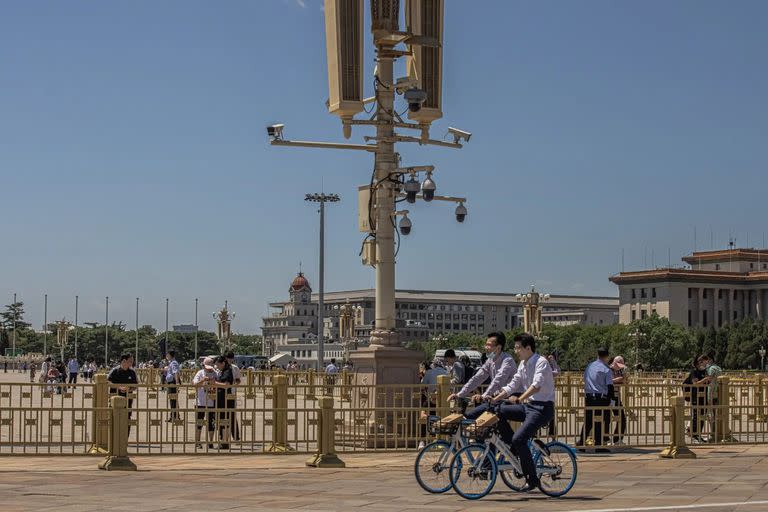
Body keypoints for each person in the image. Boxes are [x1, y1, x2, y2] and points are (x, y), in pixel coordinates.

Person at [490, 333, 556, 490]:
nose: (516, 351)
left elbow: (537, 385)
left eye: (518, 347)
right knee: (499, 410)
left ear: (528, 348)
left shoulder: (541, 362)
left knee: (519, 439)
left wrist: (520, 398)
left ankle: (532, 480)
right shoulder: (522, 363)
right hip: (529, 406)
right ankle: (513, 448)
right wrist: (495, 398)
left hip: (542, 408)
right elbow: (512, 385)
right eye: (515, 347)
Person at [446, 332, 516, 420]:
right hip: (496, 398)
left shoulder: (507, 360)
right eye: (486, 344)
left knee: (478, 416)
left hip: (510, 399)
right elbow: (477, 378)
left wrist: (483, 396)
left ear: (498, 347)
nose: (486, 347)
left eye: (489, 345)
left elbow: (498, 380)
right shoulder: (490, 361)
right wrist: (460, 394)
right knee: (476, 419)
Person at [578, 347, 614, 452]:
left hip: (589, 397)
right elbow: (610, 386)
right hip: (600, 398)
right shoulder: (606, 369)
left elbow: (585, 379)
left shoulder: (589, 366)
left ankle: (582, 443)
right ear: (607, 356)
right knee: (599, 421)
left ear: (597, 355)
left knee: (588, 421)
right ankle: (598, 446)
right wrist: (611, 400)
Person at [107, 354, 138, 435]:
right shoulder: (115, 370)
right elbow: (108, 381)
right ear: (124, 361)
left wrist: (129, 389)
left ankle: (125, 438)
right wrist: (119, 387)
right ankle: (113, 437)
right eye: (130, 361)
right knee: (113, 417)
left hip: (128, 399)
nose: (132, 363)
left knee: (127, 417)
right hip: (115, 399)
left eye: (132, 361)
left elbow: (135, 385)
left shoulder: (132, 372)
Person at [208, 355, 234, 449]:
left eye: (218, 365)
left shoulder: (227, 371)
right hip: (220, 398)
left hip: (225, 399)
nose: (217, 367)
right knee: (220, 420)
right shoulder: (222, 371)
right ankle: (222, 440)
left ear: (223, 363)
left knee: (225, 420)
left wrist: (215, 384)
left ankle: (225, 441)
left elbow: (226, 385)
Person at [696, 354, 723, 442]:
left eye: (701, 362)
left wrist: (701, 381)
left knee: (711, 415)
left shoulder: (710, 369)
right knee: (714, 414)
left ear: (706, 360)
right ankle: (716, 433)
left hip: (711, 392)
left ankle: (713, 434)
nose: (701, 364)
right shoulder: (717, 368)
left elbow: (710, 380)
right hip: (718, 392)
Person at [192, 357, 217, 449]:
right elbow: (194, 384)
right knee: (199, 422)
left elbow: (219, 384)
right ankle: (197, 441)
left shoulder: (215, 373)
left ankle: (210, 442)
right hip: (200, 402)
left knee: (211, 422)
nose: (209, 369)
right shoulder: (200, 373)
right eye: (207, 367)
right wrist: (202, 380)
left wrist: (213, 382)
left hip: (211, 401)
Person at [683, 355, 707, 443]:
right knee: (696, 416)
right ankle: (694, 435)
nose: (703, 363)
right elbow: (695, 383)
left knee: (702, 416)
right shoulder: (694, 372)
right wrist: (705, 379)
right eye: (701, 362)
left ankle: (698, 434)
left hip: (703, 397)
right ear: (697, 363)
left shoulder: (704, 372)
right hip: (695, 397)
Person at [609, 355, 627, 445]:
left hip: (617, 397)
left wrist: (624, 378)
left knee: (622, 418)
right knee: (606, 418)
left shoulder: (620, 371)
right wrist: (617, 380)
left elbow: (625, 382)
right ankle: (605, 439)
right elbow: (607, 381)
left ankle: (617, 439)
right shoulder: (608, 370)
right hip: (608, 397)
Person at [225, 352, 242, 441]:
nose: (229, 360)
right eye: (228, 358)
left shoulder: (235, 368)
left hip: (231, 393)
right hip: (221, 393)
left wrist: (234, 386)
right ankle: (224, 437)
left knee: (232, 414)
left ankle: (236, 435)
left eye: (231, 358)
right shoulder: (220, 367)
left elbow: (238, 380)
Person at [163, 350, 181, 421]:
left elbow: (176, 372)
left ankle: (174, 416)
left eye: (167, 355)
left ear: (170, 355)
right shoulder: (172, 362)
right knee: (173, 400)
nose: (166, 356)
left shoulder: (173, 362)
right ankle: (175, 416)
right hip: (171, 382)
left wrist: (176, 383)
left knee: (173, 400)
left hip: (173, 383)